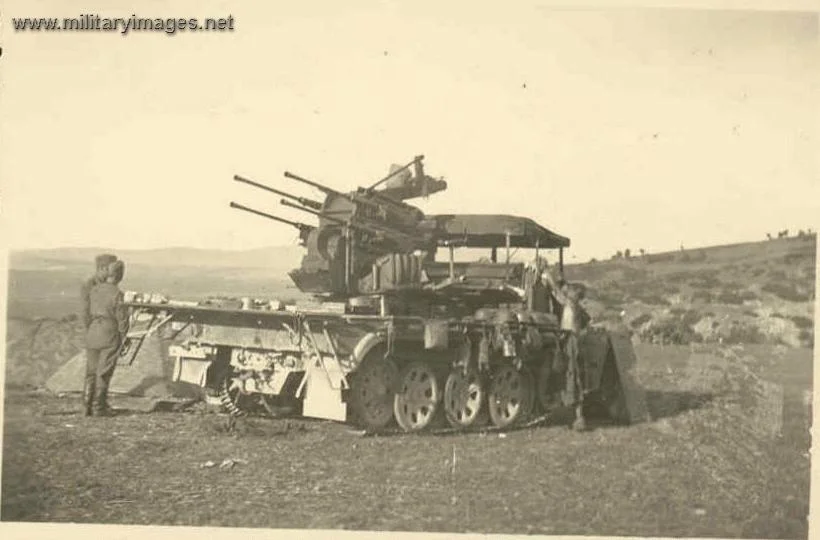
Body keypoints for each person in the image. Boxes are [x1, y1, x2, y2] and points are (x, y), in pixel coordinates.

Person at [542, 268, 591, 431]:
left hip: (570, 342)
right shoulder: (576, 308)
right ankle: (577, 418)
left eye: (568, 290)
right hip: (573, 341)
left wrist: (549, 277)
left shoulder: (570, 304)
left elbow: (557, 293)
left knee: (571, 377)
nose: (566, 290)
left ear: (573, 295)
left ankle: (579, 419)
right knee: (573, 378)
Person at [84, 260, 129, 417]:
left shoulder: (94, 290)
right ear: (119, 275)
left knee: (91, 371)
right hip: (109, 332)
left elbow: (87, 312)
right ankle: (99, 408)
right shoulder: (117, 294)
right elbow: (122, 319)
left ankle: (86, 406)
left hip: (93, 331)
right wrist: (124, 337)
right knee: (103, 372)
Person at [80, 254, 118, 331]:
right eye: (112, 269)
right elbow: (85, 311)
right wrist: (90, 330)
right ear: (102, 268)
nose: (114, 272)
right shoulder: (89, 285)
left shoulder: (110, 283)